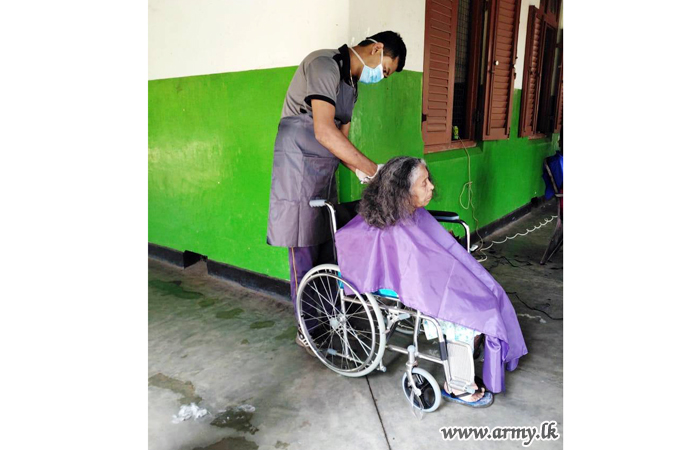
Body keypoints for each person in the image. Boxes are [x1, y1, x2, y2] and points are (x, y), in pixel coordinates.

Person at [335, 156, 528, 406]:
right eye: (424, 183)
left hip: (430, 277)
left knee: (489, 293)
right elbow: (409, 271)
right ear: (403, 192)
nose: (432, 187)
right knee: (465, 314)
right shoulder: (389, 228)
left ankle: (472, 347)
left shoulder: (412, 213)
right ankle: (457, 386)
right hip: (409, 284)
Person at [265, 32, 408, 351]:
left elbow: (341, 143)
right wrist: (375, 170)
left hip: (323, 170)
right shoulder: (323, 64)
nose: (381, 78)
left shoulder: (351, 87)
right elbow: (323, 129)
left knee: (328, 242)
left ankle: (329, 314)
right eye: (384, 70)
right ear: (377, 49)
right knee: (303, 247)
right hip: (297, 167)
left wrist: (365, 174)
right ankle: (307, 327)